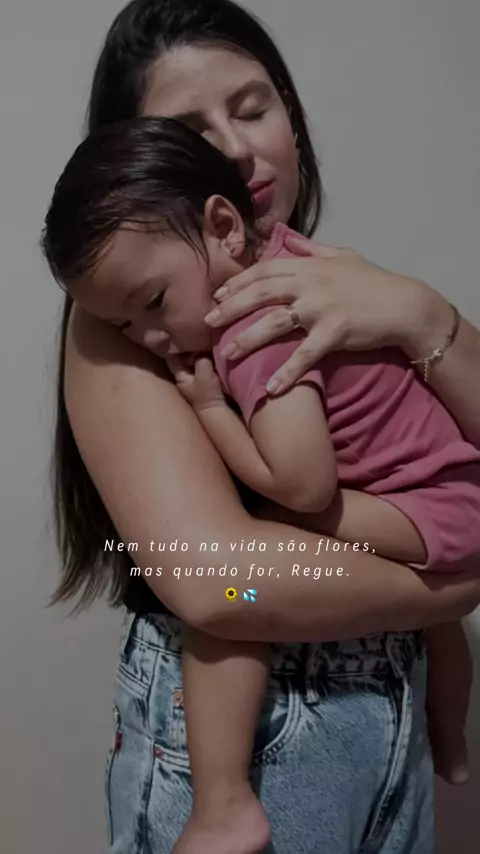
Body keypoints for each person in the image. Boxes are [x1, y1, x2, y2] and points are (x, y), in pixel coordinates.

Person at [48, 1, 480, 852]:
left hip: (381, 691)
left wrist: (424, 317)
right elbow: (220, 586)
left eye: (252, 109)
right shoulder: (137, 321)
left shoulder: (309, 285)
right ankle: (222, 800)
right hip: (263, 687)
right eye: (190, 130)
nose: (237, 150)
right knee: (230, 612)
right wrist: (451, 589)